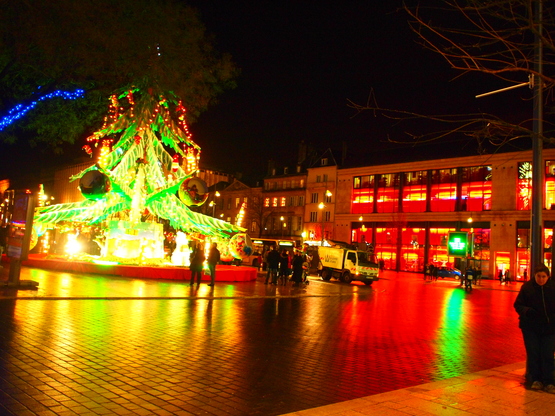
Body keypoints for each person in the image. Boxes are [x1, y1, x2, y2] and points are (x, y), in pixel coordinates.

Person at [514, 264, 555, 393]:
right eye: (538, 276)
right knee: (534, 354)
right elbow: (518, 304)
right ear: (534, 276)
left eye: (543, 276)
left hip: (550, 328)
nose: (541, 279)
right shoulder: (527, 288)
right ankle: (536, 380)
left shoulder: (553, 288)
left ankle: (549, 381)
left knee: (548, 354)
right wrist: (527, 311)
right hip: (531, 328)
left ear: (548, 277)